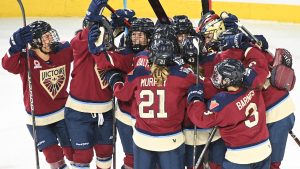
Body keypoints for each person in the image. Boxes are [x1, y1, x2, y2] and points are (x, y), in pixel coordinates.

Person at [106, 38, 197, 169]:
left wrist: (115, 80)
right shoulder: (183, 76)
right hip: (170, 140)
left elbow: (122, 95)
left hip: (143, 139)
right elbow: (204, 86)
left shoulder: (139, 74)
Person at [2, 20, 74, 168]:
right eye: (45, 37)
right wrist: (14, 48)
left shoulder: (63, 49)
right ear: (34, 42)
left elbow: (82, 48)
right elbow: (7, 65)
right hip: (38, 119)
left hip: (63, 112)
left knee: (74, 153)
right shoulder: (26, 58)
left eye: (50, 35)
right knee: (54, 157)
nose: (50, 39)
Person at [187, 59, 272, 169]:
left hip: (240, 157)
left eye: (219, 76)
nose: (217, 78)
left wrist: (195, 98)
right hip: (264, 150)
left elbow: (202, 119)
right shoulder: (253, 84)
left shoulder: (223, 101)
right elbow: (260, 68)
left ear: (227, 80)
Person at [64, 0, 117, 168]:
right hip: (79, 112)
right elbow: (77, 42)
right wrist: (91, 21)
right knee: (82, 155)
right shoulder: (80, 46)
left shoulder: (111, 52)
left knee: (105, 151)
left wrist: (122, 24)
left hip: (105, 111)